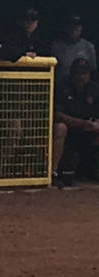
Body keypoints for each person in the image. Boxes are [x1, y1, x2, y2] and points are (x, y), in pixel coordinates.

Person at [52, 58, 99, 186]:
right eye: (77, 73)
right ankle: (53, 172)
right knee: (60, 128)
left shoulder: (94, 88)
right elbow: (57, 114)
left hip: (89, 131)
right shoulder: (63, 86)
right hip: (70, 129)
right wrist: (81, 123)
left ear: (89, 74)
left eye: (84, 73)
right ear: (71, 73)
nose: (81, 76)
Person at [50, 15, 97, 85]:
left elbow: (93, 72)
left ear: (81, 28)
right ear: (66, 27)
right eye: (72, 25)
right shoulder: (55, 46)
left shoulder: (89, 47)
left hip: (82, 89)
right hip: (61, 87)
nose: (74, 28)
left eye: (77, 26)